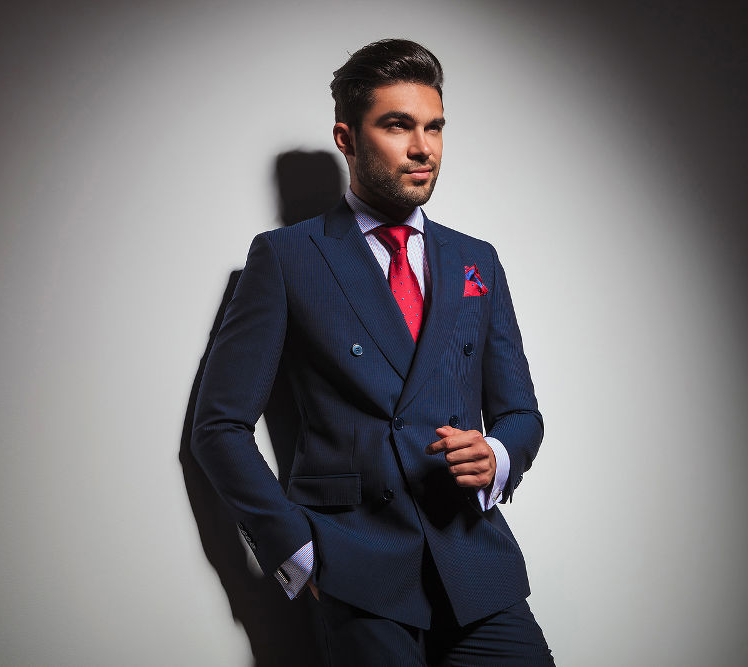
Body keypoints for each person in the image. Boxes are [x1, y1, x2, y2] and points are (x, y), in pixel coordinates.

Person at [191, 38, 554, 665]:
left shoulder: (475, 261)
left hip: (475, 564)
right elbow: (218, 428)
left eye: (435, 127)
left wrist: (495, 455)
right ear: (347, 137)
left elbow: (522, 414)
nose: (424, 149)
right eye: (398, 125)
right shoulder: (288, 258)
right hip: (359, 572)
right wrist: (297, 551)